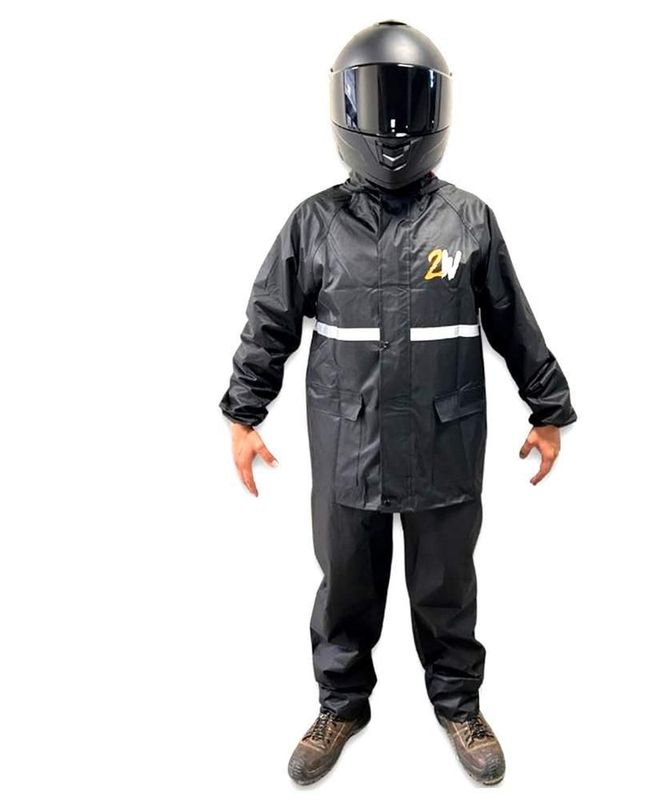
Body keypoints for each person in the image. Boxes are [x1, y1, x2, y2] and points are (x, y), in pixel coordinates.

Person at [219, 20, 577, 786]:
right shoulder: (315, 223)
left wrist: (548, 408)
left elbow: (513, 320)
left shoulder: (468, 220)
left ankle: (459, 704)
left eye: (409, 102)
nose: (392, 125)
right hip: (348, 445)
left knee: (446, 589)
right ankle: (340, 704)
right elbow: (269, 321)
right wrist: (244, 414)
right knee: (345, 587)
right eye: (376, 101)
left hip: (446, 444)